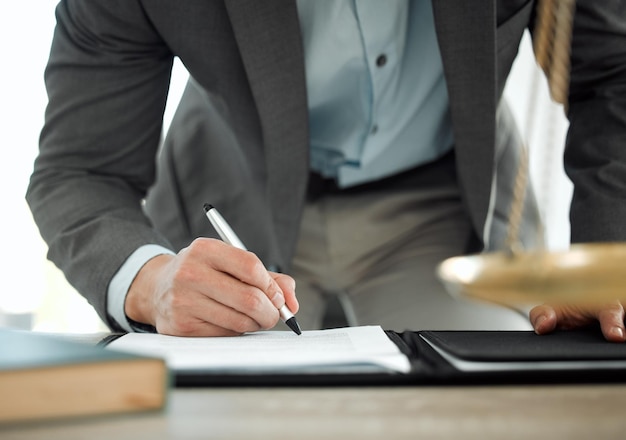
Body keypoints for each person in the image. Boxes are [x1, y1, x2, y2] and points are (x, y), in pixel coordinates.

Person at [27, 0, 626, 340]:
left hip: (447, 207)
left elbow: (614, 72)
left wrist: (611, 259)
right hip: (234, 209)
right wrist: (152, 282)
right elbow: (80, 169)